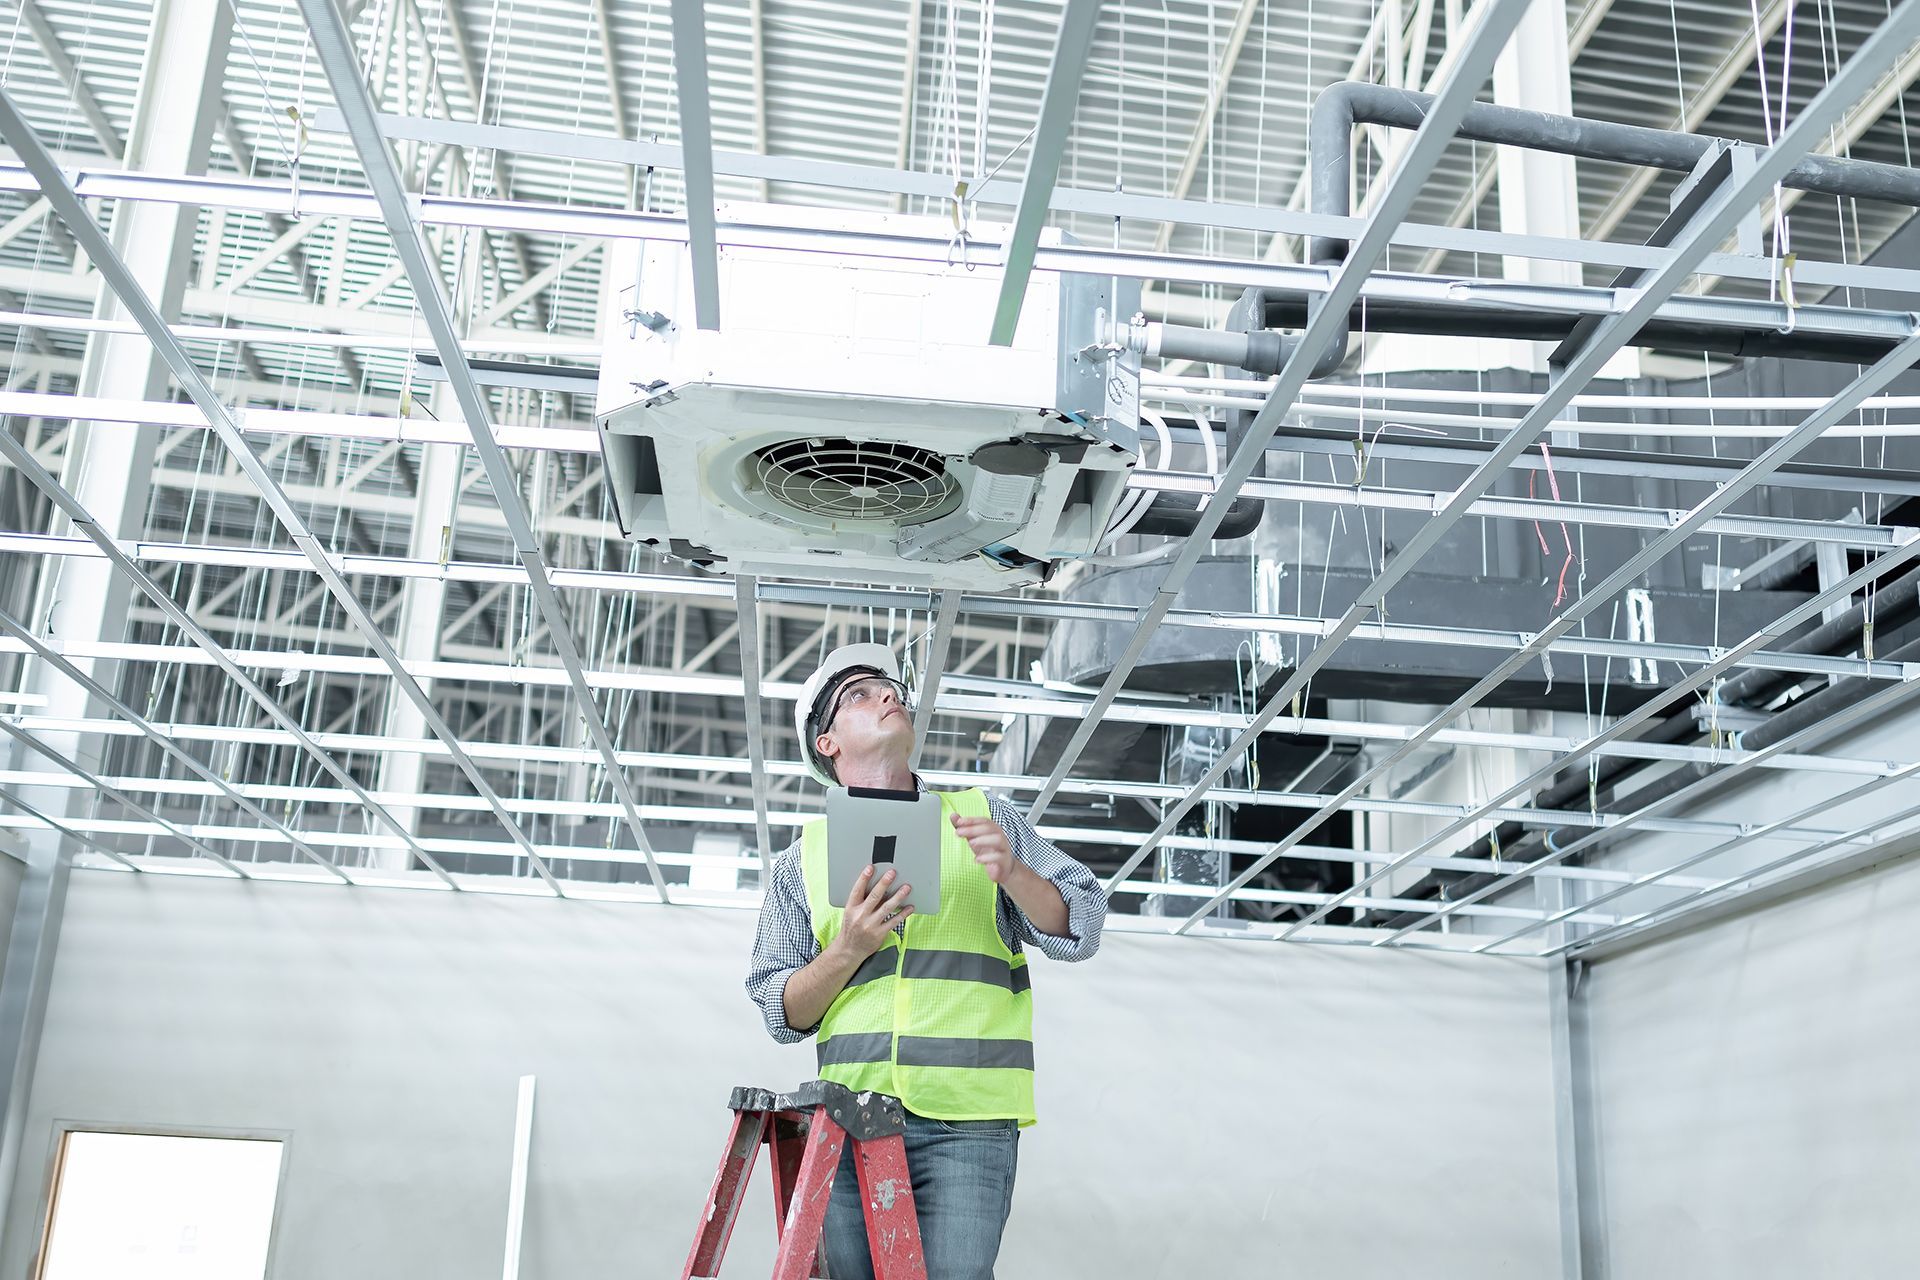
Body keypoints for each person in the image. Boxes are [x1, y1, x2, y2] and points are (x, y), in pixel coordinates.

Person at [746, 641, 1107, 1279]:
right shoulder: (800, 859)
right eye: (859, 694)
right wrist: (849, 950)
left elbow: (1080, 927)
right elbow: (782, 1011)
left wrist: (1017, 873)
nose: (889, 696)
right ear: (826, 744)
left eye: (891, 690)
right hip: (849, 1117)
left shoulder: (984, 817)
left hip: (967, 1121)